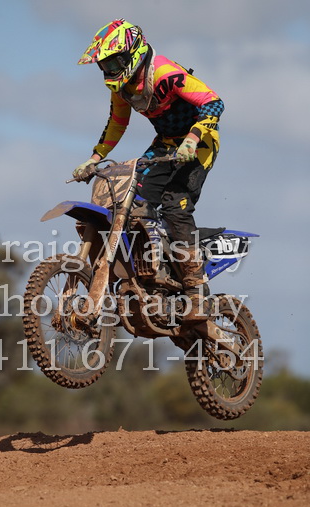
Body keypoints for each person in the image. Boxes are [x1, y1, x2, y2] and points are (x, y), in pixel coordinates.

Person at [73, 19, 224, 321]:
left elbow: (213, 103)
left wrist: (192, 138)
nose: (109, 70)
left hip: (200, 143)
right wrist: (94, 158)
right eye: (104, 65)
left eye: (113, 62)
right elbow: (117, 123)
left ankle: (197, 292)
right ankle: (152, 271)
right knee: (130, 202)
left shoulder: (165, 73)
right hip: (166, 144)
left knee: (175, 206)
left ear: (132, 53)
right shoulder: (122, 89)